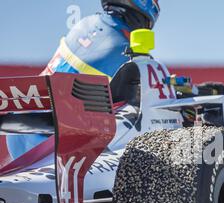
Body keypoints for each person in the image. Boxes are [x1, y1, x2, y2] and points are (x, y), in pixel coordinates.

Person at [6, 0, 161, 160]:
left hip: (20, 129)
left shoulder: (85, 23)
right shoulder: (126, 50)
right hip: (54, 143)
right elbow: (154, 97)